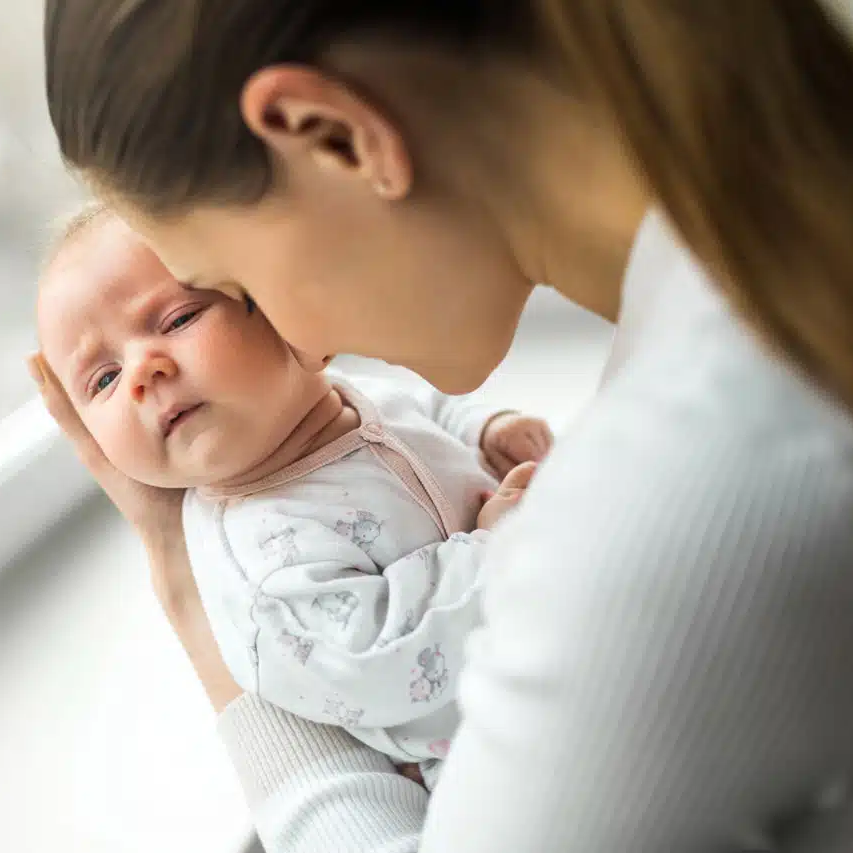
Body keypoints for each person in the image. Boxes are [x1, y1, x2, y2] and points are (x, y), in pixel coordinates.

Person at [31, 1, 853, 850]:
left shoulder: (686, 499)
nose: (299, 342)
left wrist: (204, 622)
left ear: (333, 136)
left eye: (229, 292)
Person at [37, 203, 551, 789]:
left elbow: (429, 412)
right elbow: (387, 659)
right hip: (501, 751)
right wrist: (491, 549)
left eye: (177, 319)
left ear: (273, 301)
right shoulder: (267, 567)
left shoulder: (346, 400)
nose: (141, 372)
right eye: (103, 380)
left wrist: (486, 428)